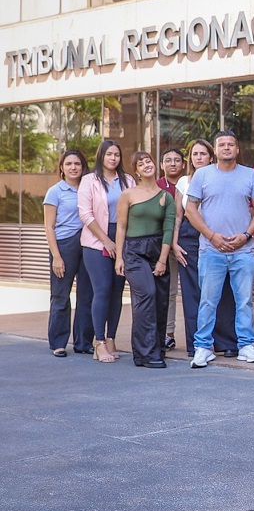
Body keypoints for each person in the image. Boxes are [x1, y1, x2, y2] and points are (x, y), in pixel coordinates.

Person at [185, 131, 254, 368]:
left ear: (237, 149)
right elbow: (191, 210)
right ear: (215, 150)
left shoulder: (250, 175)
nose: (227, 148)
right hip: (211, 249)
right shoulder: (202, 174)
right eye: (222, 145)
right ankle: (202, 348)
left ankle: (246, 346)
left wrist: (246, 235)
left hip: (243, 250)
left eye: (231, 144)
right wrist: (211, 236)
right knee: (208, 301)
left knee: (244, 301)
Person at [172, 139, 239, 359]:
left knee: (223, 290)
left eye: (203, 153)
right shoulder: (183, 182)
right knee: (193, 293)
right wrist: (174, 243)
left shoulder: (223, 177)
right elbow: (178, 217)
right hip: (190, 237)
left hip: (220, 233)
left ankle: (226, 341)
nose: (198, 157)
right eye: (194, 154)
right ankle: (196, 344)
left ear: (211, 156)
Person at [114, 152, 175, 369]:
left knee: (160, 299)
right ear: (136, 171)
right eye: (141, 163)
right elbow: (121, 226)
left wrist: (162, 260)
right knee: (146, 294)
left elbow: (169, 229)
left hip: (158, 249)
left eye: (149, 161)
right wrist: (119, 257)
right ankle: (144, 353)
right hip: (134, 251)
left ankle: (157, 349)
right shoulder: (128, 195)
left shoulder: (166, 197)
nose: (146, 165)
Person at [78, 140, 135, 363]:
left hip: (122, 238)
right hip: (96, 241)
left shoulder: (127, 180)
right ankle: (98, 342)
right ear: (101, 155)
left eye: (117, 155)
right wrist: (106, 241)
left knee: (117, 292)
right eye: (109, 154)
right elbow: (85, 214)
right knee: (102, 290)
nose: (113, 158)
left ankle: (111, 338)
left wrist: (119, 243)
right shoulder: (88, 180)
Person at [43, 150, 93, 357]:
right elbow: (48, 226)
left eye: (78, 164)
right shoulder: (55, 191)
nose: (73, 167)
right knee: (61, 295)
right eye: (69, 164)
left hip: (88, 242)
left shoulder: (89, 188)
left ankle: (83, 342)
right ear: (61, 168)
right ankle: (58, 342)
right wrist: (56, 255)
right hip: (64, 244)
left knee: (87, 295)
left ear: (83, 167)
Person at [157, 148, 185, 351]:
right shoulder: (156, 186)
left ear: (183, 164)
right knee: (169, 291)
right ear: (161, 165)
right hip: (164, 245)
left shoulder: (190, 182)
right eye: (168, 160)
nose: (173, 163)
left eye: (177, 160)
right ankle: (168, 334)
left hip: (190, 243)